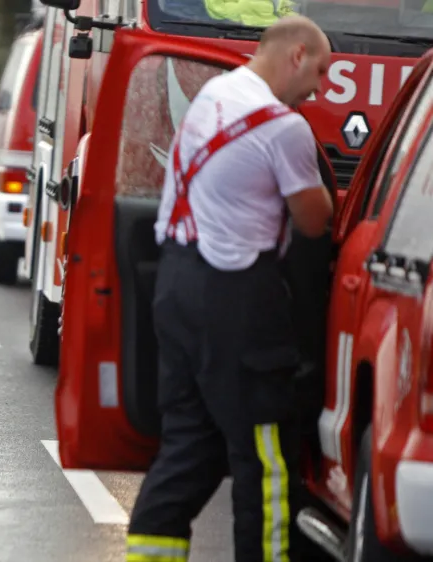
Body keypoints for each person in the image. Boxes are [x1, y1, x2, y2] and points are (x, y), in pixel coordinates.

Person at [126, 15, 334, 561]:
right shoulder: (284, 127)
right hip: (236, 299)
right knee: (265, 456)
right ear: (296, 55)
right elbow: (315, 222)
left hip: (177, 286)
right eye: (320, 68)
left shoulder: (213, 96)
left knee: (188, 447)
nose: (321, 85)